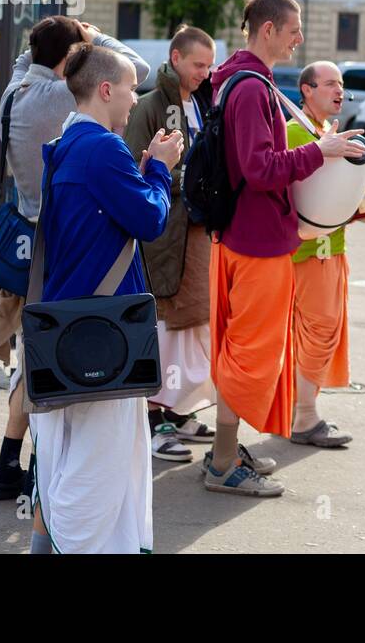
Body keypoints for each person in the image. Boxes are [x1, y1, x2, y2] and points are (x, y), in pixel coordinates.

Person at [204, 0, 364, 497]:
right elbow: (259, 168)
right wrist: (320, 150)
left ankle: (225, 453)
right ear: (268, 30)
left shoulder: (234, 77)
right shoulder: (252, 88)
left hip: (238, 233)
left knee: (238, 350)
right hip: (257, 242)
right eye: (293, 29)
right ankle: (225, 463)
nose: (299, 39)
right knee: (250, 355)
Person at [0, 18, 148, 502]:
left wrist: (53, 35)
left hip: (19, 242)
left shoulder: (13, 95)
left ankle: (7, 467)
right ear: (74, 63)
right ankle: (39, 471)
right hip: (58, 245)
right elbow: (132, 69)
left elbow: (27, 61)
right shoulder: (64, 98)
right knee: (50, 362)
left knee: (28, 358)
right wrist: (97, 39)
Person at [28, 44, 181, 554]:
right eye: (132, 88)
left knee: (70, 453)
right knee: (101, 461)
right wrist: (159, 168)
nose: (137, 99)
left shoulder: (69, 142)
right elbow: (150, 221)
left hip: (72, 323)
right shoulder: (102, 147)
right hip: (105, 332)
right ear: (107, 89)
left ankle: (54, 544)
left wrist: (139, 172)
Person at [285, 61, 365, 448]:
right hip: (309, 251)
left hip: (330, 248)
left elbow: (342, 199)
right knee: (318, 330)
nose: (339, 91)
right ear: (307, 89)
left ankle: (301, 410)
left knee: (318, 332)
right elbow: (303, 195)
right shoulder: (293, 131)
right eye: (330, 84)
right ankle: (303, 416)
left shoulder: (325, 132)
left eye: (342, 85)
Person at [124, 25, 218, 462]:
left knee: (192, 324)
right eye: (198, 64)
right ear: (176, 58)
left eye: (209, 65)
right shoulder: (151, 105)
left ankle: (177, 412)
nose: (205, 72)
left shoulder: (198, 100)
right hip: (166, 234)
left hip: (192, 234)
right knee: (164, 326)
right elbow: (138, 169)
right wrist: (190, 184)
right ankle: (154, 419)